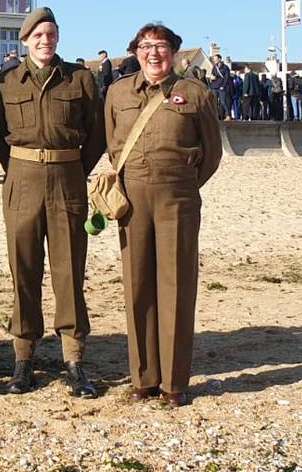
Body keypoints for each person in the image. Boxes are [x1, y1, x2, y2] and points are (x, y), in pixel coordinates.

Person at [0, 8, 106, 396]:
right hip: (21, 181)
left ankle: (73, 358)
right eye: (37, 35)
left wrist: (72, 167)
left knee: (69, 270)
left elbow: (96, 133)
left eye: (51, 34)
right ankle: (24, 359)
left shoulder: (80, 78)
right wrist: (21, 166)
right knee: (23, 269)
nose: (45, 40)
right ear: (24, 41)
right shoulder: (6, 81)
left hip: (67, 179)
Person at [104, 22, 222, 408]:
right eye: (146, 46)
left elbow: (212, 154)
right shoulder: (118, 92)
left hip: (178, 199)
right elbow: (112, 145)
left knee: (175, 286)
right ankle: (143, 377)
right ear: (136, 52)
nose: (153, 53)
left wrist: (182, 185)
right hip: (132, 199)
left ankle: (173, 381)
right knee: (137, 285)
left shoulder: (195, 94)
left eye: (161, 46)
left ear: (175, 53)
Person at [209, 54, 231, 119]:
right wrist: (212, 78)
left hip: (221, 87)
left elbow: (227, 78)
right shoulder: (214, 67)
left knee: (223, 101)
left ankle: (228, 115)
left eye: (215, 59)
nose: (214, 60)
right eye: (214, 59)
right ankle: (216, 116)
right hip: (214, 86)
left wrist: (223, 86)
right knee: (214, 102)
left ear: (219, 59)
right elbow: (212, 75)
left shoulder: (225, 67)